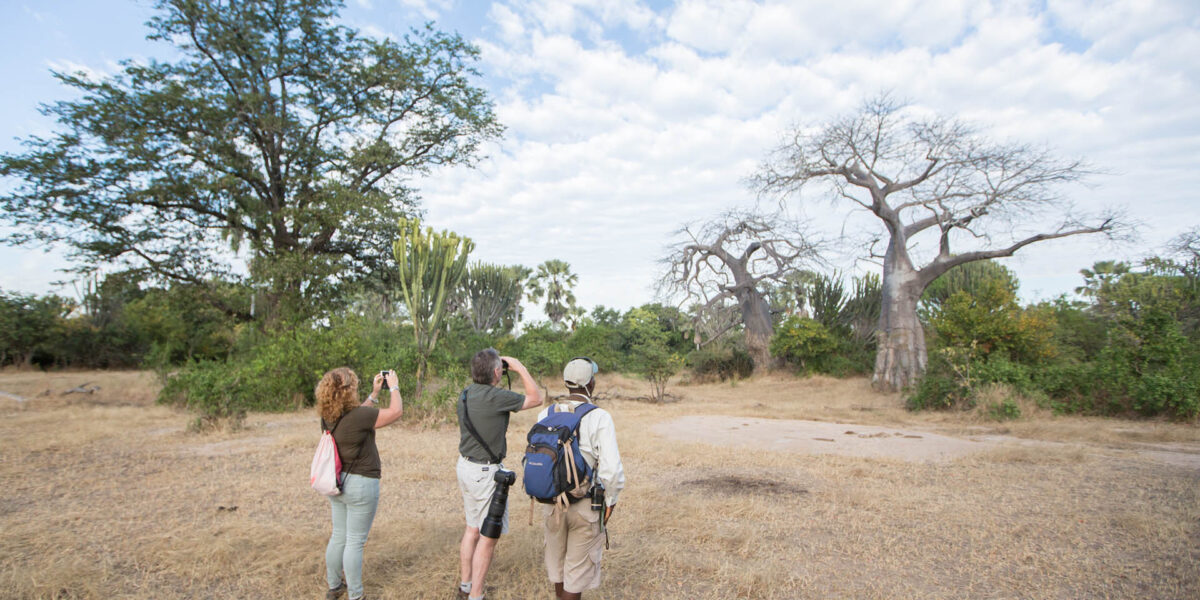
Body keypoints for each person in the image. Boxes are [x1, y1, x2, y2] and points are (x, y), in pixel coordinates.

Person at [456, 348, 542, 600]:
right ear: (497, 372)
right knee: (487, 535)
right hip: (484, 472)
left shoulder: (465, 393)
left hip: (465, 466)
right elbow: (536, 398)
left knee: (472, 528)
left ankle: (465, 585)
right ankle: (476, 594)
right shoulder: (496, 397)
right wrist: (519, 367)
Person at [540, 357, 625, 600]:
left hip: (552, 503)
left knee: (558, 570)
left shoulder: (545, 413)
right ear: (591, 383)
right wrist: (612, 501)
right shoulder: (599, 417)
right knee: (575, 575)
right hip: (585, 505)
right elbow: (611, 471)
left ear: (567, 383)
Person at [317, 367, 404, 600]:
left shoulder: (329, 416)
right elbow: (396, 411)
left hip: (337, 483)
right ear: (347, 391)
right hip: (361, 484)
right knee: (355, 542)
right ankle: (356, 595)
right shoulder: (359, 417)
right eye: (354, 385)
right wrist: (393, 386)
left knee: (339, 536)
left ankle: (335, 586)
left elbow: (355, 416)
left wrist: (374, 394)